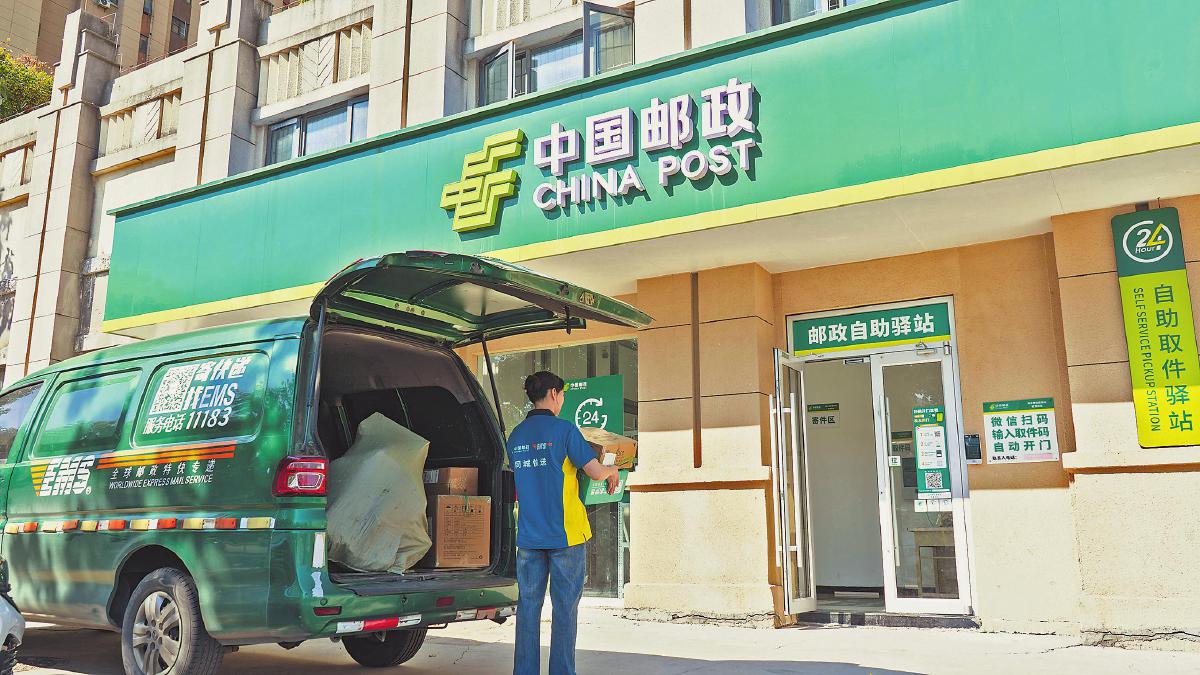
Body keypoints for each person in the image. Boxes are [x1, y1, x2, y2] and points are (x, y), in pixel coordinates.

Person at [507, 371, 620, 675]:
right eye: (563, 396)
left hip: (529, 538)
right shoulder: (565, 430)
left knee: (528, 609)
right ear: (554, 394)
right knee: (565, 610)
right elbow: (595, 471)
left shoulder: (516, 436)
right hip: (565, 537)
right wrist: (613, 471)